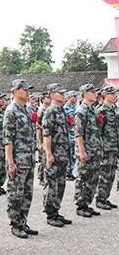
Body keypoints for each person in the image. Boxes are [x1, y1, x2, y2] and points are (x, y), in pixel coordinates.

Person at [4, 79, 38, 239]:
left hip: (29, 160)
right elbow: (8, 139)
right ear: (16, 91)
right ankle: (15, 224)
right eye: (24, 89)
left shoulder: (27, 110)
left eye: (28, 89)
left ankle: (23, 221)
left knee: (27, 193)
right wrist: (10, 162)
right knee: (15, 194)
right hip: (17, 161)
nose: (28, 92)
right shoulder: (11, 111)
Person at [41, 83, 73, 227]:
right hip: (54, 155)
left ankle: (56, 211)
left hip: (63, 155)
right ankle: (50, 214)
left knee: (60, 185)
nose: (63, 95)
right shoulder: (50, 111)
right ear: (53, 95)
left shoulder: (61, 110)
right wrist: (48, 154)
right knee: (52, 185)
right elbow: (46, 134)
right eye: (60, 93)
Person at [74, 84, 103, 218]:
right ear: (85, 94)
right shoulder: (81, 111)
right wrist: (82, 151)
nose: (95, 94)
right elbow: (79, 133)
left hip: (95, 150)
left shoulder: (92, 110)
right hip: (86, 151)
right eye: (92, 92)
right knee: (83, 178)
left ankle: (87, 203)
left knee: (93, 178)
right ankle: (81, 205)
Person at [95, 86, 119, 210]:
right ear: (106, 95)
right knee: (105, 173)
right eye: (113, 94)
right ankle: (100, 199)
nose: (115, 96)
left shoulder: (115, 109)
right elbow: (97, 132)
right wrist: (101, 148)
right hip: (106, 148)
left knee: (111, 174)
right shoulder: (101, 111)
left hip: (115, 147)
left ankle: (105, 197)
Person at [64, 91, 78, 181]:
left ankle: (70, 172)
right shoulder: (66, 108)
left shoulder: (74, 108)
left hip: (74, 135)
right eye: (74, 96)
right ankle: (67, 172)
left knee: (73, 155)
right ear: (69, 97)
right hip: (69, 135)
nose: (76, 98)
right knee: (69, 155)